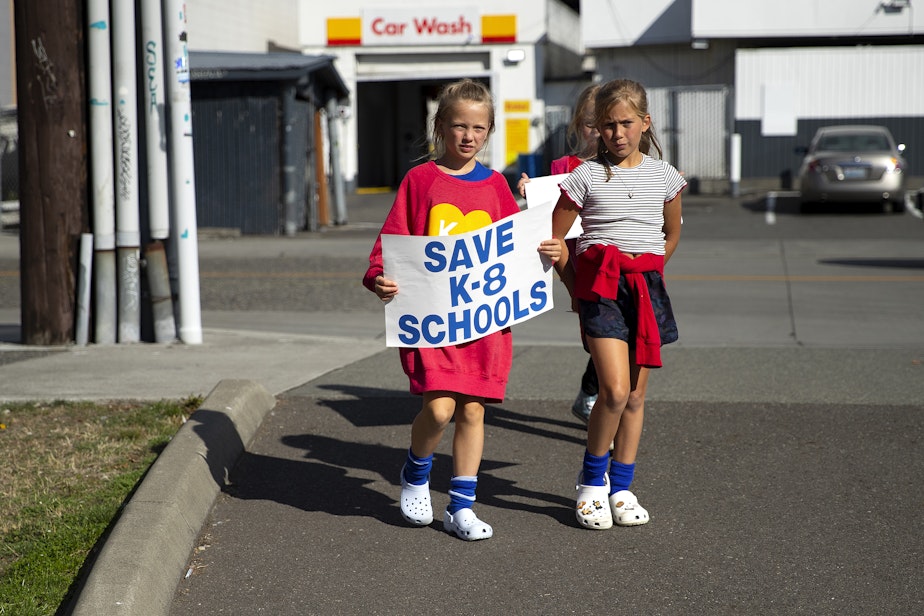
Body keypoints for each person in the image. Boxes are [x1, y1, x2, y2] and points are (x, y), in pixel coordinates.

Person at [362, 79, 561, 541]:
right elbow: (391, 243)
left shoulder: (496, 186)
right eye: (458, 126)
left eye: (478, 128)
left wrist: (545, 247)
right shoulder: (420, 181)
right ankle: (415, 473)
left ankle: (461, 507)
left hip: (484, 322)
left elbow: (514, 249)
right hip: (433, 318)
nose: (468, 136)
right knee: (439, 409)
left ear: (489, 132)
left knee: (473, 411)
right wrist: (378, 277)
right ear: (440, 127)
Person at [549, 79, 685, 530]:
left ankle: (622, 487)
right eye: (607, 125)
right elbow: (557, 238)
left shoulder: (666, 177)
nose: (617, 133)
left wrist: (647, 270)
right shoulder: (583, 175)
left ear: (645, 123)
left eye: (626, 123)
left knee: (637, 396)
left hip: (646, 289)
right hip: (601, 291)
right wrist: (576, 288)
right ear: (597, 129)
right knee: (613, 391)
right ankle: (592, 484)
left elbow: (671, 234)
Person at [517, 84, 602, 425]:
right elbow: (543, 215)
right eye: (588, 122)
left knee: (617, 341)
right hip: (579, 268)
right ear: (576, 124)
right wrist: (528, 194)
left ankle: (595, 400)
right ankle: (593, 396)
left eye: (605, 122)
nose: (596, 131)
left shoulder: (633, 165)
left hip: (620, 266)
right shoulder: (562, 166)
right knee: (598, 341)